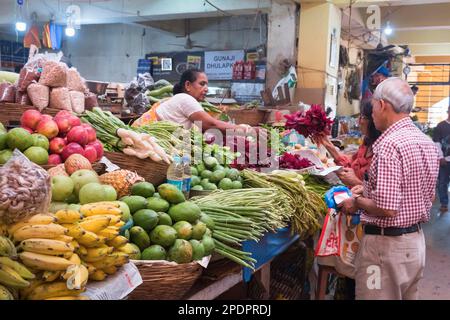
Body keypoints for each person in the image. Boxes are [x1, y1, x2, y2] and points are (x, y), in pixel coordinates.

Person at [338, 77, 439, 300]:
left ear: (382, 105)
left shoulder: (389, 144)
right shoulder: (426, 143)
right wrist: (365, 188)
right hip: (415, 245)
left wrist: (354, 203)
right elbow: (427, 197)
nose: (371, 113)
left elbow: (386, 208)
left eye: (373, 105)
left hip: (384, 251)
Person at [133, 69, 249, 133]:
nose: (206, 89)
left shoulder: (180, 99)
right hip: (141, 140)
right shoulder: (185, 98)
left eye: (207, 85)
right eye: (202, 84)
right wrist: (245, 129)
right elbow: (211, 124)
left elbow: (204, 127)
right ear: (188, 85)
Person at [315, 100, 381, 188]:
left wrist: (356, 182)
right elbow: (350, 165)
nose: (359, 121)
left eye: (363, 117)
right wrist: (327, 143)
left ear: (373, 121)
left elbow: (382, 196)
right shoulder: (366, 144)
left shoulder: (382, 153)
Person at [432, 104, 450, 213]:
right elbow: (437, 142)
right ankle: (444, 203)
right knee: (443, 182)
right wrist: (440, 157)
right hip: (444, 161)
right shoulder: (440, 126)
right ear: (448, 111)